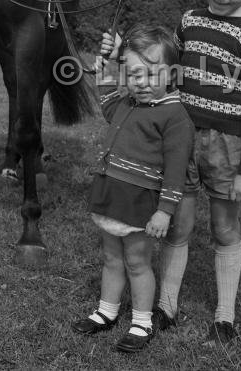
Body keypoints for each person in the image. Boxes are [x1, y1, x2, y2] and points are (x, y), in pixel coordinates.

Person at [101, 0, 241, 347]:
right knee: (177, 224)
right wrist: (124, 51)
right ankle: (166, 307)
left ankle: (225, 315)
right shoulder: (189, 22)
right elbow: (166, 67)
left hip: (226, 147)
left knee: (224, 228)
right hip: (179, 139)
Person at [71, 23, 195, 353]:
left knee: (138, 262)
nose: (140, 82)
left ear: (171, 74)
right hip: (112, 194)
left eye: (150, 75)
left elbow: (175, 172)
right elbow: (108, 99)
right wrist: (108, 66)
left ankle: (142, 322)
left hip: (141, 202)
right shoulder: (128, 104)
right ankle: (106, 312)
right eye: (134, 74)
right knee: (112, 258)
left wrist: (164, 211)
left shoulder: (175, 117)